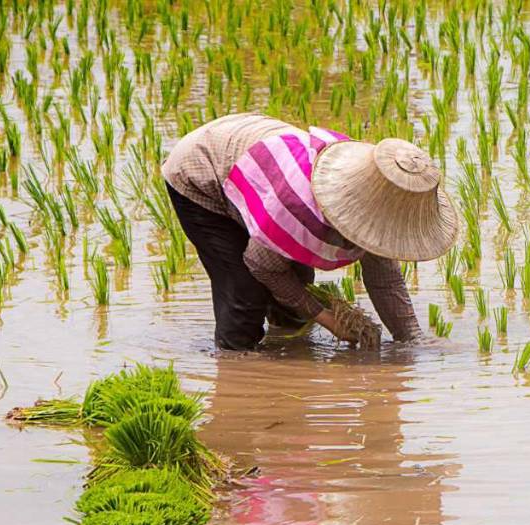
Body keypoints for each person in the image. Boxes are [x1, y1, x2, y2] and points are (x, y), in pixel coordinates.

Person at [161, 113, 459, 351]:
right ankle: (235, 366)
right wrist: (328, 319)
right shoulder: (296, 207)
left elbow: (385, 277)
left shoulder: (377, 195)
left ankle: (287, 346)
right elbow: (261, 265)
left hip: (255, 148)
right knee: (243, 290)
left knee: (298, 278)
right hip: (202, 171)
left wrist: (412, 338)